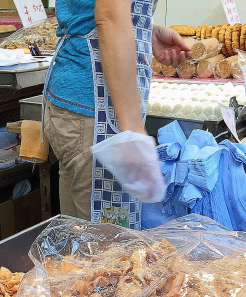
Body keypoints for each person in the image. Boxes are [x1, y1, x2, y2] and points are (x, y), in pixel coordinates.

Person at [44, 0, 191, 228]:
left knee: (82, 242)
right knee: (105, 249)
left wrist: (145, 30)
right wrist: (132, 130)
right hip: (92, 107)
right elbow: (110, 16)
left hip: (80, 102)